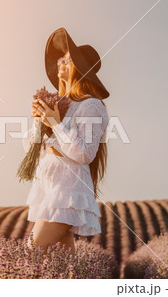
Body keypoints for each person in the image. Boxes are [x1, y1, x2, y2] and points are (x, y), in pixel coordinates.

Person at [23, 27, 111, 256]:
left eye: (68, 59)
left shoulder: (91, 106)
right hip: (49, 190)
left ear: (81, 70)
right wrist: (38, 122)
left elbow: (85, 154)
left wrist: (55, 125)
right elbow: (31, 149)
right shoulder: (62, 105)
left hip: (68, 193)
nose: (61, 62)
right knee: (66, 266)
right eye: (61, 58)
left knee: (30, 252)